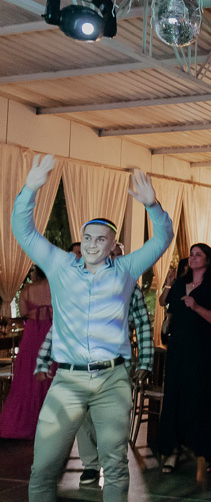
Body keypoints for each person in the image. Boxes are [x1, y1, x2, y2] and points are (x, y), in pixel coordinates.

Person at [12, 154, 173, 502]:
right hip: (67, 381)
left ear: (113, 245)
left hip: (111, 380)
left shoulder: (127, 269)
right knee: (42, 467)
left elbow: (162, 239)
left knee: (114, 466)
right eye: (87, 237)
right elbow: (22, 230)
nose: (91, 243)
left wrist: (153, 206)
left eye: (101, 239)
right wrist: (30, 188)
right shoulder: (59, 265)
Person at [33, 243, 154, 485]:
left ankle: (112, 468)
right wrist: (43, 359)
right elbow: (60, 325)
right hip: (77, 366)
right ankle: (90, 464)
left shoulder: (129, 285)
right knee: (82, 417)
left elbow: (142, 323)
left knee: (110, 423)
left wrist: (146, 362)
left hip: (115, 365)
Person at [157, 243, 211, 474]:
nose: (193, 257)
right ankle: (172, 450)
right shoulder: (180, 283)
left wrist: (197, 307)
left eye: (198, 254)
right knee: (175, 395)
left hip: (204, 349)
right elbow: (162, 302)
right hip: (179, 348)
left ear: (208, 261)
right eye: (191, 254)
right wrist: (169, 282)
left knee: (204, 396)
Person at [0, 266, 53, 439]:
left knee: (27, 376)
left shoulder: (27, 290)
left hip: (32, 335)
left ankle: (26, 421)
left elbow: (23, 313)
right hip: (51, 333)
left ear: (37, 272)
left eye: (31, 272)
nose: (30, 275)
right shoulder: (55, 287)